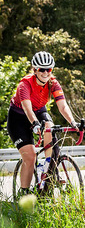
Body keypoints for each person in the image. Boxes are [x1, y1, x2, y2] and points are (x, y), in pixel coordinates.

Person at [7, 51, 79, 196]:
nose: (46, 73)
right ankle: (24, 193)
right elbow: (27, 109)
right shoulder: (25, 84)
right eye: (42, 69)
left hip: (39, 111)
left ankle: (47, 169)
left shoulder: (53, 83)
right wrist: (34, 123)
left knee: (50, 128)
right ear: (35, 70)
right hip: (18, 119)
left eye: (49, 69)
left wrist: (73, 122)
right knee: (30, 156)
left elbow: (63, 106)